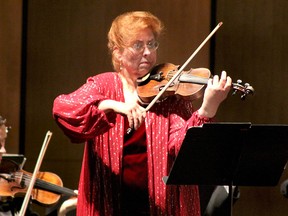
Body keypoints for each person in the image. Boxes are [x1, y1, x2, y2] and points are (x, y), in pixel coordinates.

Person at [52, 11, 232, 216]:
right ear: (118, 52)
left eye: (151, 44)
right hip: (110, 203)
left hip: (159, 205)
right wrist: (113, 105)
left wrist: (207, 109)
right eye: (138, 45)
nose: (147, 52)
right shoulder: (104, 85)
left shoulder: (168, 95)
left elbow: (182, 149)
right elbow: (64, 109)